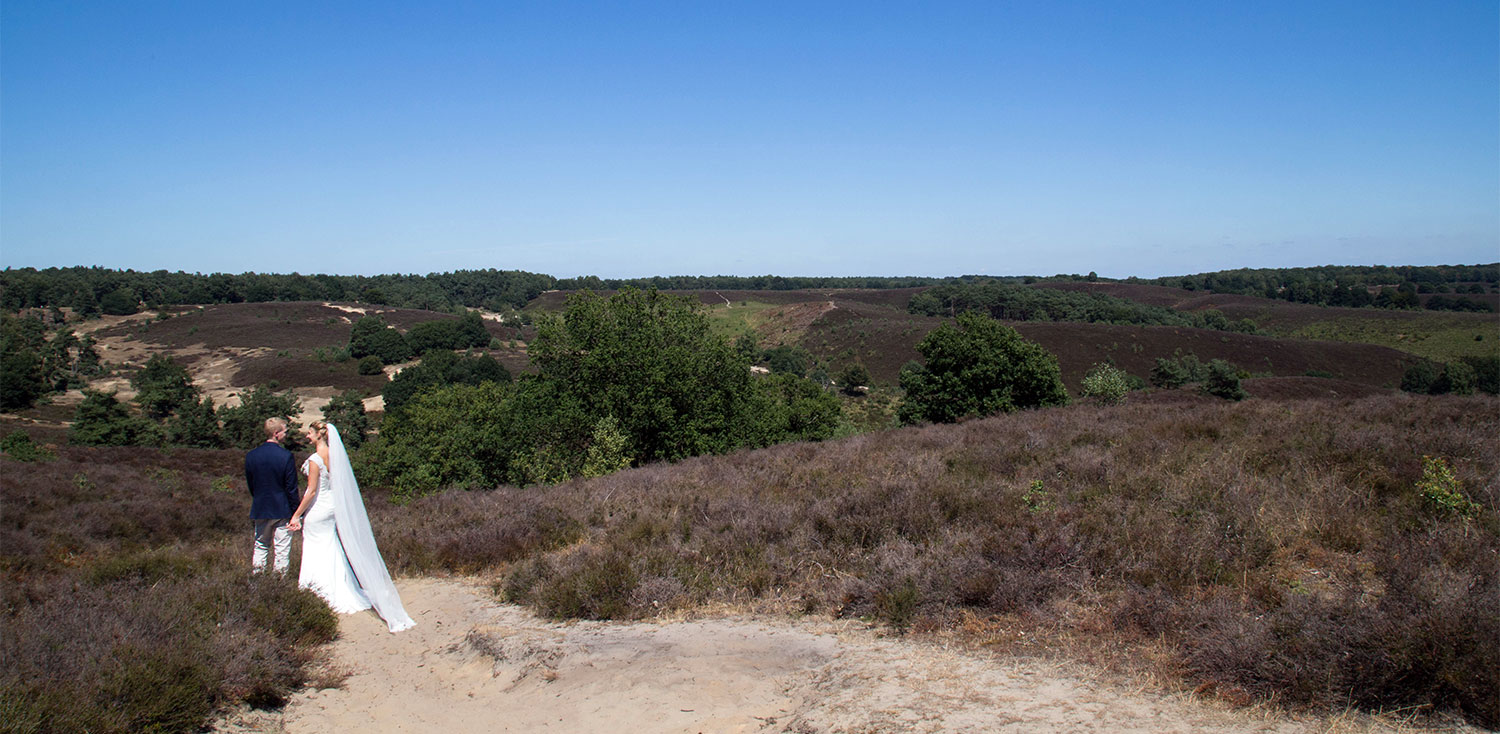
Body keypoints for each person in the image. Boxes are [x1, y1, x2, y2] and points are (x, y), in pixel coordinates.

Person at [289, 421, 415, 632]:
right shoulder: (334, 456)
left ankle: (319, 590)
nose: (307, 436)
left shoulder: (315, 459)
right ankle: (338, 587)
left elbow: (311, 492)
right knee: (331, 546)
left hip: (318, 509)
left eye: (310, 433)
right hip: (331, 507)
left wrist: (296, 515)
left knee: (315, 548)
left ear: (319, 435)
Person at [245, 417, 299, 574]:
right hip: (281, 508)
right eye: (285, 431)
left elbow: (251, 483)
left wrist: (258, 499)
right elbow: (291, 488)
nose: (286, 434)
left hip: (260, 506)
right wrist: (295, 511)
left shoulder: (251, 456)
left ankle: (257, 579)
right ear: (276, 433)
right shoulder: (286, 456)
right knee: (282, 550)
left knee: (261, 545)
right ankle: (279, 584)